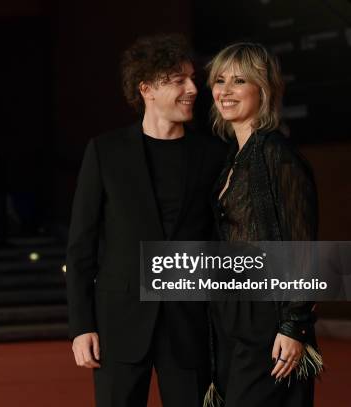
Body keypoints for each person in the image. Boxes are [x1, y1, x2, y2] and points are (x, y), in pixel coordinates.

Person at [66, 33, 226, 407]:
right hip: (118, 324)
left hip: (190, 325)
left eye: (191, 79)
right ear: (146, 89)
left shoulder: (214, 154)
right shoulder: (105, 152)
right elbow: (81, 247)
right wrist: (81, 326)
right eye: (177, 80)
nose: (192, 89)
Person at [205, 42, 323, 407]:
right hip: (230, 317)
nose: (225, 91)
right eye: (219, 80)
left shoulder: (277, 156)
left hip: (267, 318)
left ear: (264, 89)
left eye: (239, 80)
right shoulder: (233, 160)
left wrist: (294, 326)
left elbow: (301, 246)